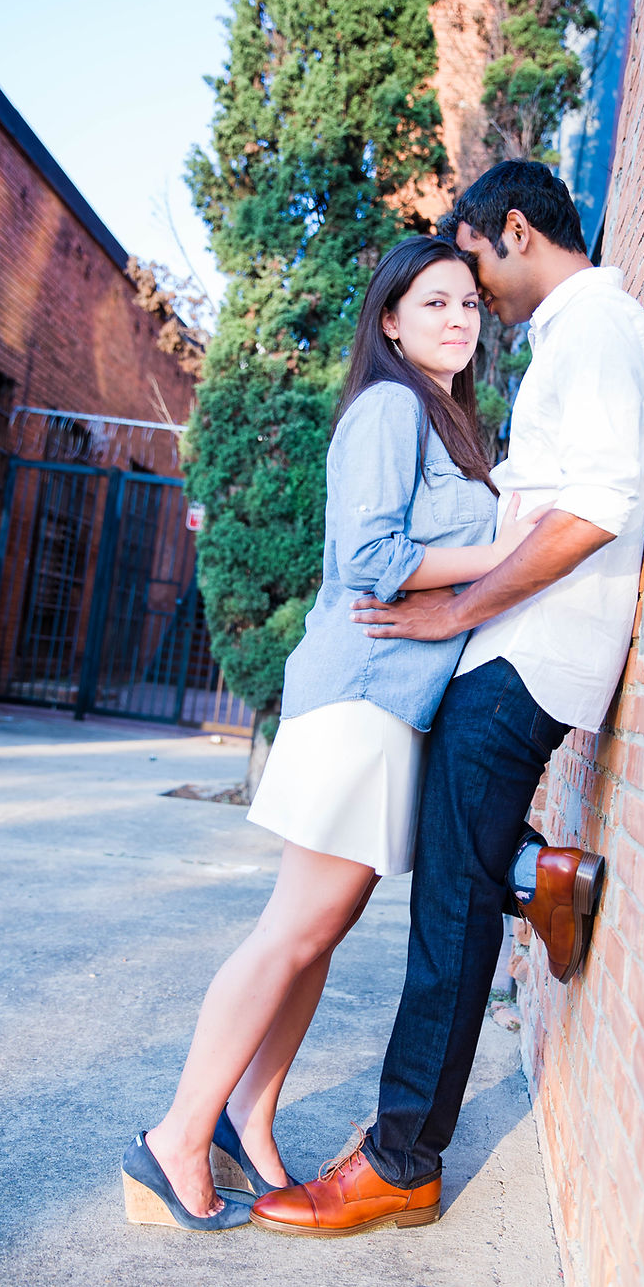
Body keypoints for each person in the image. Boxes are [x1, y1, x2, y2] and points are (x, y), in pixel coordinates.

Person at [250, 159, 644, 1238]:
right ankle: (537, 871)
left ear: (513, 229)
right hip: (508, 648)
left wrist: (460, 607)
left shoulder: (595, 329)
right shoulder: (569, 337)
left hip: (527, 654)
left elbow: (597, 509)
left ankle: (401, 1161)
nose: (473, 300)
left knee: (447, 901)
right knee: (458, 859)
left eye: (473, 270)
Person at [121, 234, 548, 1231]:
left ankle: (247, 1123)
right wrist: (504, 550)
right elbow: (369, 556)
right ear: (389, 321)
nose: (458, 318)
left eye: (468, 303)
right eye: (433, 302)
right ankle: (175, 1139)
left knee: (319, 932)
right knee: (292, 929)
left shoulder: (444, 420)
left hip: (390, 710)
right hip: (358, 697)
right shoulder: (390, 408)